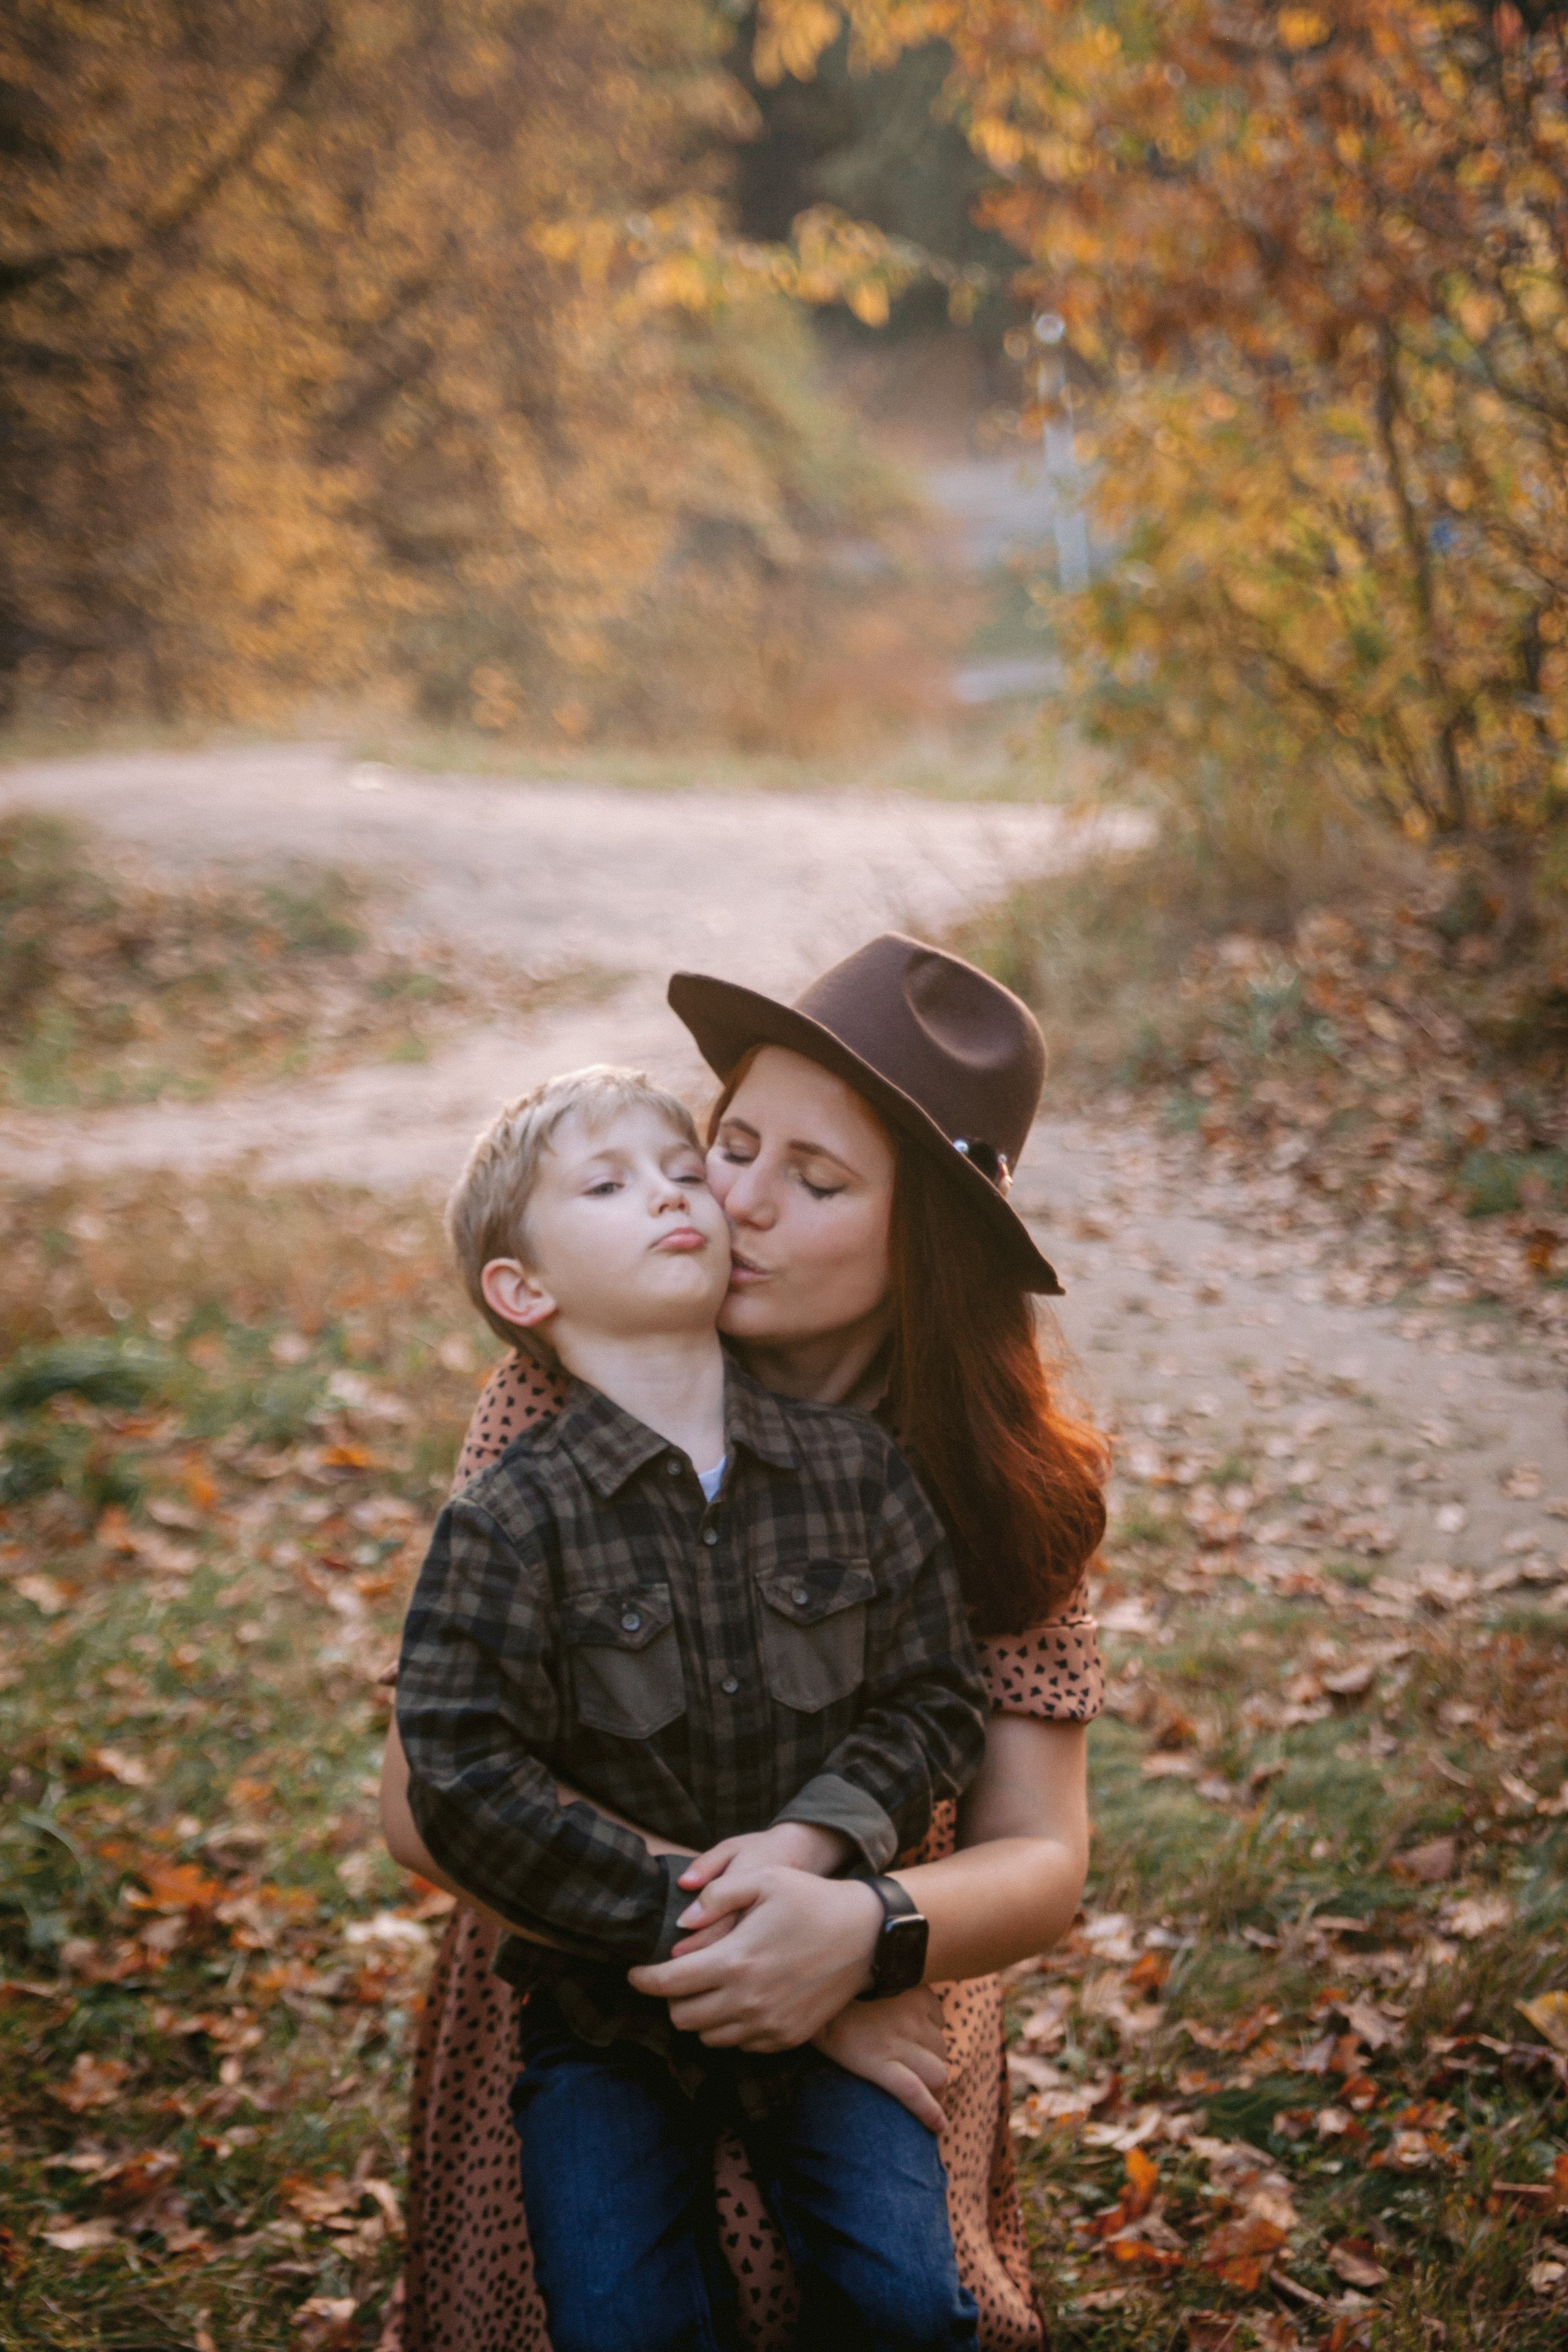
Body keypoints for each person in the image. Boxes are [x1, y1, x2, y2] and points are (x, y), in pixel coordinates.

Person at [380, 933, 1110, 2352]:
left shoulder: (993, 1476)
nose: (736, 1203)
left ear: (929, 1241)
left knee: (877, 2295)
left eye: (815, 1180)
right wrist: (755, 1957)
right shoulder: (563, 1392)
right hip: (589, 1940)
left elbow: (1039, 1858)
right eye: (732, 1145)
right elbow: (422, 1798)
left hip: (880, 1941)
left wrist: (851, 1941)